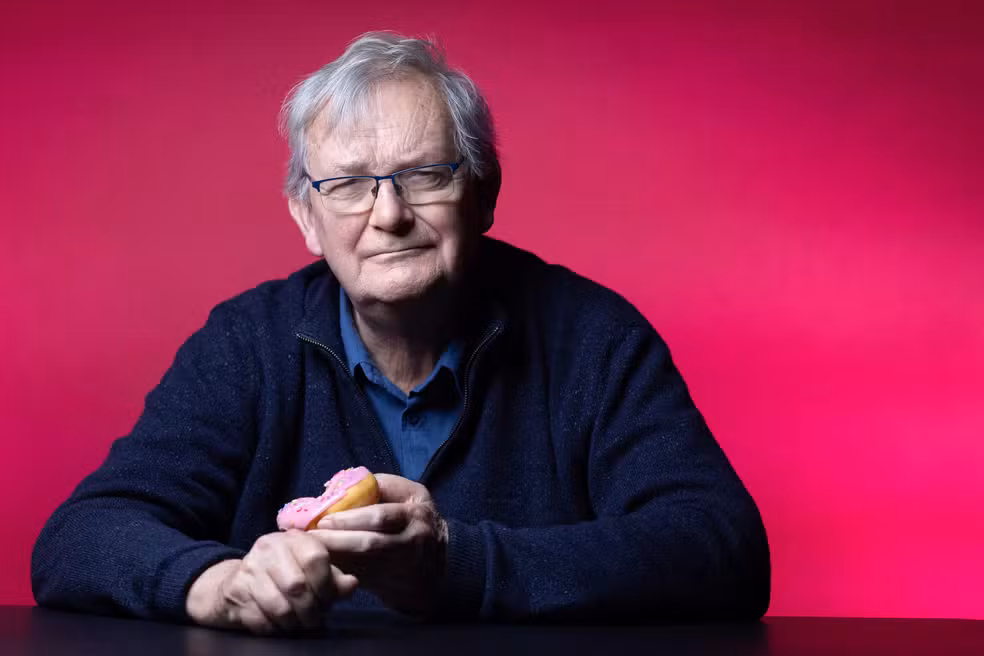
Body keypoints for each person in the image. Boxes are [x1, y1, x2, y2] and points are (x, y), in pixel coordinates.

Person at [31, 32, 770, 633]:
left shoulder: (593, 338)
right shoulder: (246, 343)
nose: (388, 215)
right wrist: (213, 583)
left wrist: (454, 563)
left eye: (424, 175)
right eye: (348, 185)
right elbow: (80, 536)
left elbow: (722, 550)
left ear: (482, 195)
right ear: (304, 219)